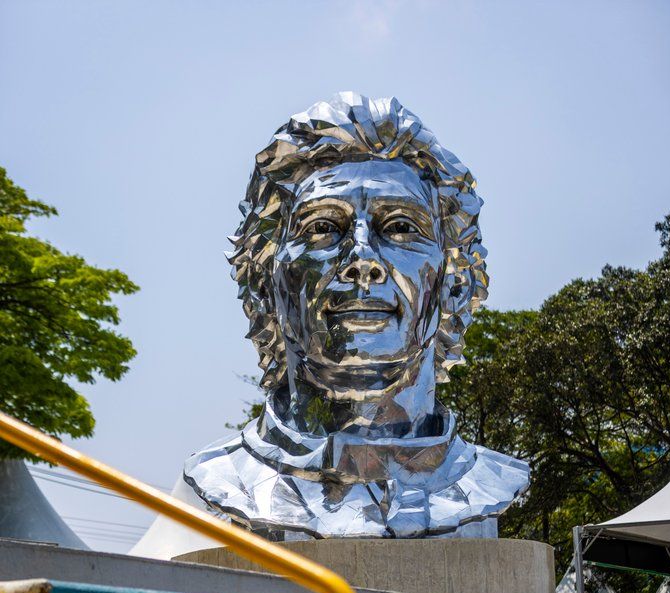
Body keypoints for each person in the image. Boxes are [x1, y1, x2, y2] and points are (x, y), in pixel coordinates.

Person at [133, 93, 529, 559]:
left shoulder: (493, 483)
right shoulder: (220, 482)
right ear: (264, 285)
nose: (363, 261)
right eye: (322, 228)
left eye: (401, 227)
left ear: (455, 285)